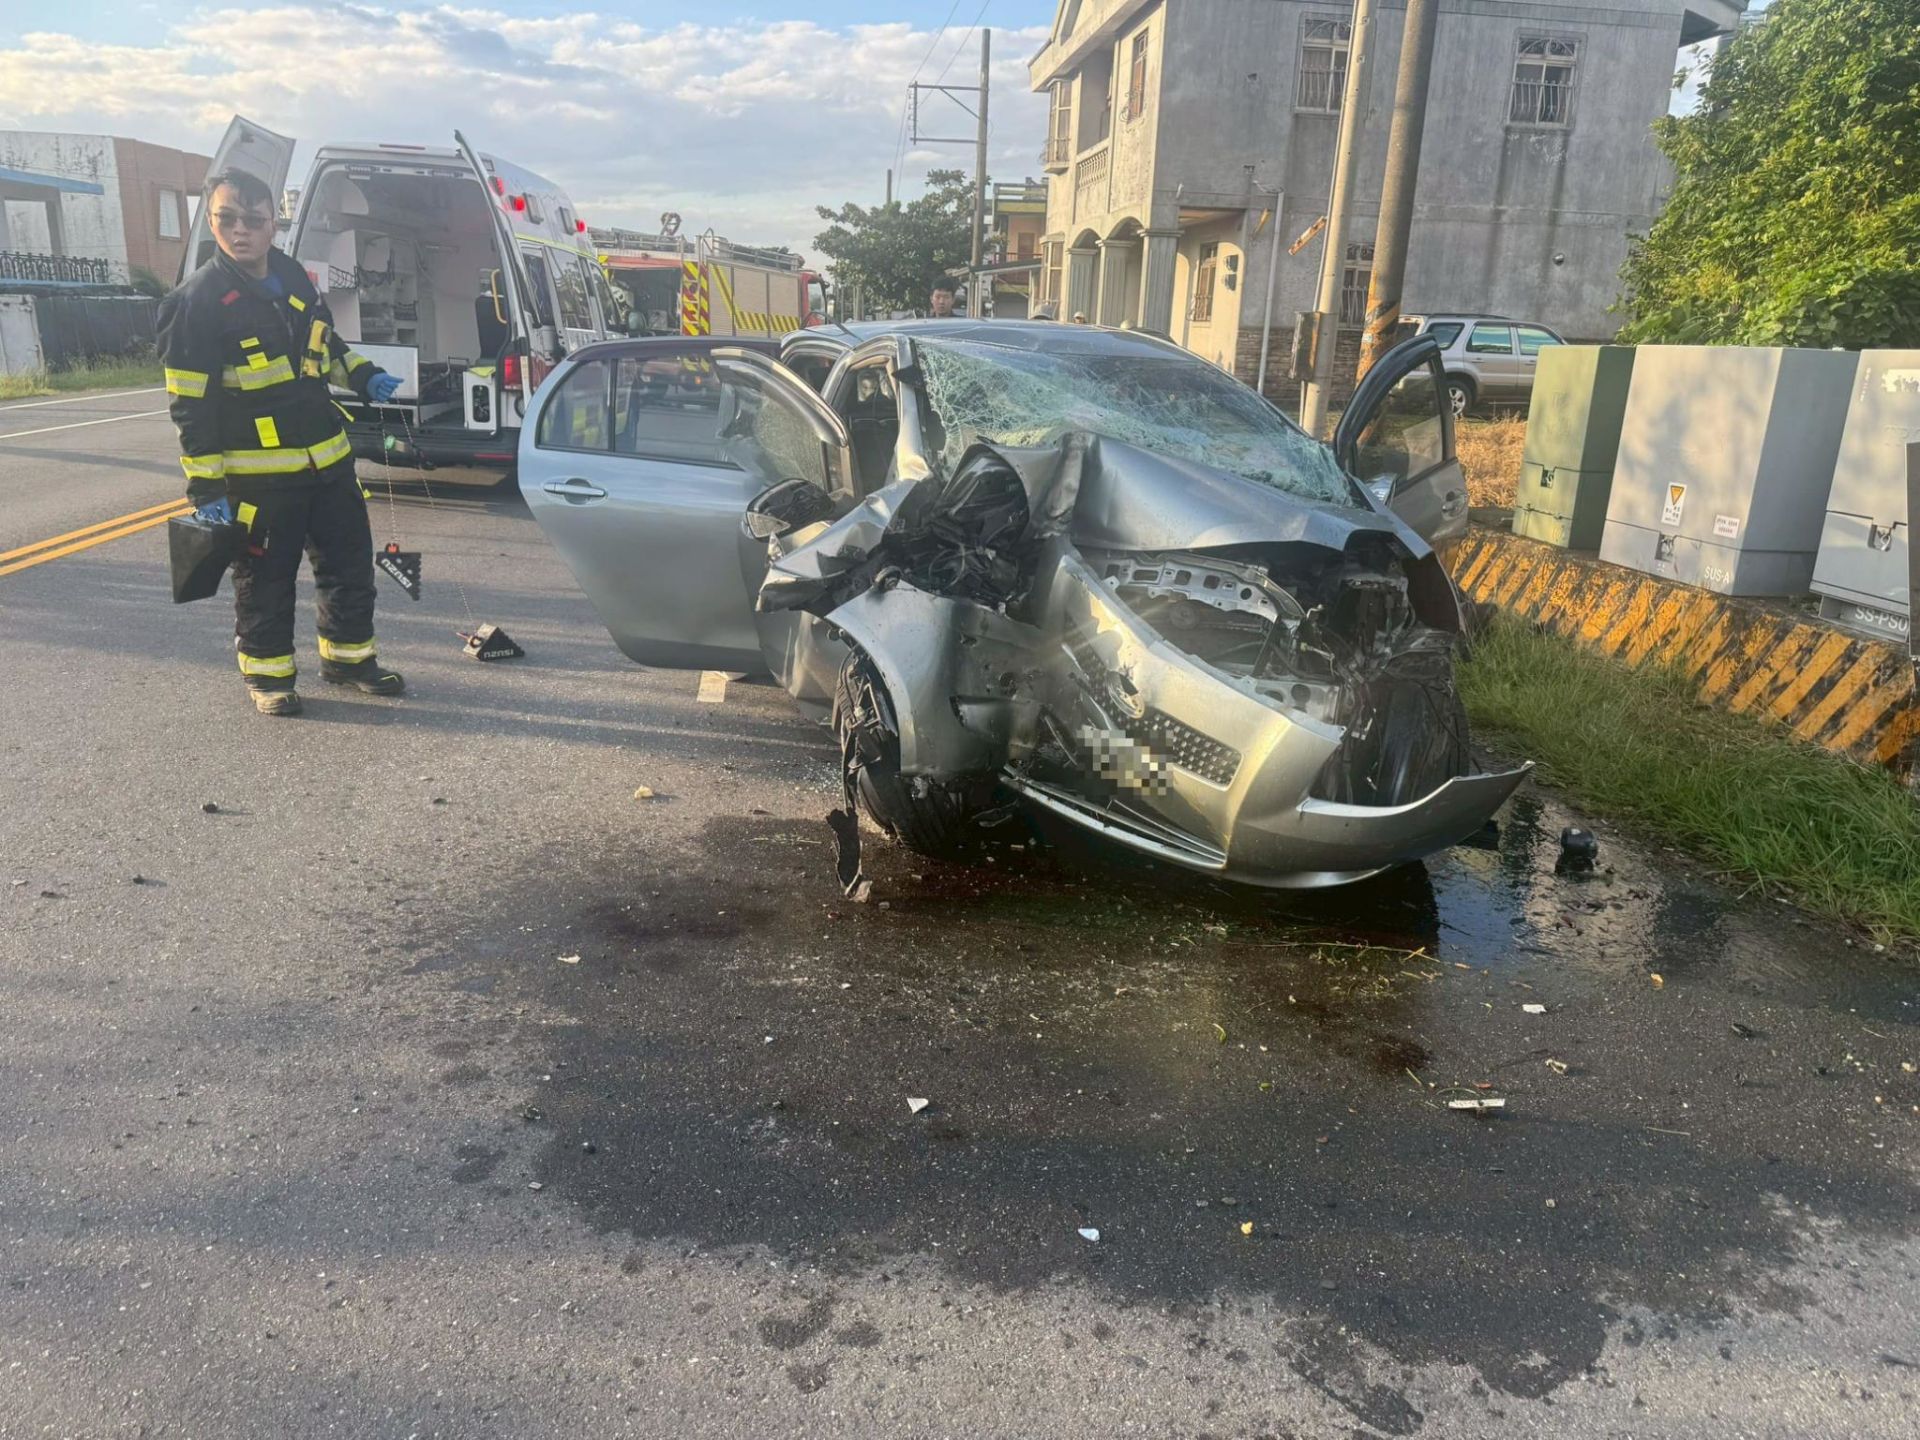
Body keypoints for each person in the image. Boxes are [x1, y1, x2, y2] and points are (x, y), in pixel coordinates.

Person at [158, 168, 406, 716]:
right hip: (259, 480)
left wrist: (364, 376)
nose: (239, 230)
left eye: (253, 219)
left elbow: (327, 344)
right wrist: (205, 487)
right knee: (266, 581)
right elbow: (190, 406)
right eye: (226, 219)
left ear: (274, 223)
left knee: (349, 566)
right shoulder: (195, 302)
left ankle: (348, 659)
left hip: (329, 463)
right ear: (212, 221)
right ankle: (268, 677)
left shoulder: (292, 277)